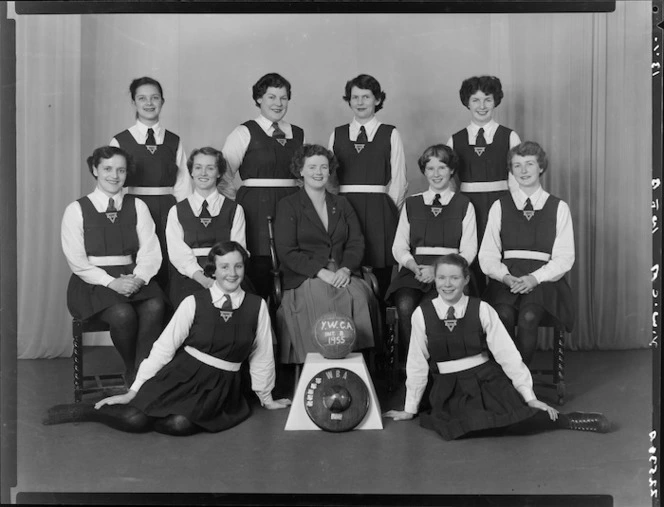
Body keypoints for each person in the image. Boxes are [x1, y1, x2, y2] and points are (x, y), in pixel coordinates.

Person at [44, 241, 291, 436]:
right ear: (213, 271)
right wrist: (135, 390)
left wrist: (266, 397)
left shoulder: (255, 306)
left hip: (221, 385)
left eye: (238, 266)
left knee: (178, 425)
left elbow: (262, 354)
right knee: (135, 419)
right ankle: (92, 411)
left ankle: (154, 411)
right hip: (182, 373)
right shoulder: (194, 302)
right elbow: (164, 348)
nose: (232, 273)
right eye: (224, 267)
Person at [383, 254, 609, 440]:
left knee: (517, 416)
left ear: (466, 280)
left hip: (486, 378)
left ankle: (568, 420)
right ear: (435, 281)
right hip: (449, 386)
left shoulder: (482, 309)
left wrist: (529, 397)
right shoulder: (422, 314)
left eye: (454, 278)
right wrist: (410, 408)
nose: (447, 284)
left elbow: (507, 354)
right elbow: (416, 362)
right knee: (463, 426)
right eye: (441, 278)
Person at [61, 146, 166, 383]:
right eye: (107, 169)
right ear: (94, 170)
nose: (114, 175)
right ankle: (132, 369)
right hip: (92, 283)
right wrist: (112, 283)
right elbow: (77, 262)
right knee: (123, 313)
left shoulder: (137, 206)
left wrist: (138, 278)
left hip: (132, 275)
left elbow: (150, 251)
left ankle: (142, 372)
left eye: (121, 170)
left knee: (155, 306)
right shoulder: (76, 209)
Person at [274, 144, 380, 364]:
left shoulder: (341, 204)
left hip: (342, 269)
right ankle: (322, 368)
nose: (318, 172)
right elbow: (287, 251)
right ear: (300, 170)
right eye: (312, 167)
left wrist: (345, 269)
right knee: (321, 297)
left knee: (359, 296)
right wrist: (321, 272)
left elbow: (356, 242)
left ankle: (355, 366)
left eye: (323, 167)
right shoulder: (288, 205)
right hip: (306, 274)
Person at [479, 141, 574, 366]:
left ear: (540, 167)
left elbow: (564, 257)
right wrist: (504, 277)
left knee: (529, 316)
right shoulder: (500, 206)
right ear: (511, 170)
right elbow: (488, 254)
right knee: (502, 315)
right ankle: (505, 375)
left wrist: (534, 278)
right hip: (507, 279)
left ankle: (522, 380)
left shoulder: (558, 207)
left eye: (529, 164)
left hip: (543, 281)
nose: (523, 171)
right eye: (517, 165)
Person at [386, 144, 477, 359]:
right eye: (430, 168)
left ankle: (439, 365)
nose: (436, 174)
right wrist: (411, 264)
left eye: (442, 168)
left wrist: (437, 271)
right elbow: (399, 246)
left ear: (452, 170)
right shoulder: (412, 203)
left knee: (433, 308)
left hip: (449, 273)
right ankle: (416, 365)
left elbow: (469, 250)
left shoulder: (464, 204)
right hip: (414, 271)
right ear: (424, 171)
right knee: (406, 304)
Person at [221, 73, 305, 301]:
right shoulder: (244, 132)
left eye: (283, 97)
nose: (278, 103)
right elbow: (223, 176)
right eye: (271, 97)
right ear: (259, 99)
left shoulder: (297, 133)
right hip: (255, 207)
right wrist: (237, 206)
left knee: (291, 261)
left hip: (291, 205)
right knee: (259, 266)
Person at [110, 76, 192, 297]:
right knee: (140, 263)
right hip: (133, 210)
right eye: (142, 98)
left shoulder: (174, 141)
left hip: (168, 209)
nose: (149, 103)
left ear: (162, 102)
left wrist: (185, 218)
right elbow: (111, 185)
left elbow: (183, 185)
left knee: (169, 264)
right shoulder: (120, 141)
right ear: (133, 102)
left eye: (154, 98)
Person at [328, 74, 408, 299]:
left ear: (377, 100)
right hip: (345, 207)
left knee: (380, 272)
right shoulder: (338, 133)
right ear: (349, 100)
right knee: (347, 268)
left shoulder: (390, 133)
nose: (360, 102)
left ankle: (380, 326)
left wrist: (387, 212)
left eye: (366, 96)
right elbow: (330, 179)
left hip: (379, 210)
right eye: (355, 97)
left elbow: (399, 181)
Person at [447, 75, 521, 295]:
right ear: (467, 103)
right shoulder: (455, 140)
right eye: (476, 100)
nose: (482, 106)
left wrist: (514, 213)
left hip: (501, 205)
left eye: (487, 99)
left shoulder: (509, 136)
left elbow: (516, 181)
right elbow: (450, 185)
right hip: (469, 208)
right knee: (472, 263)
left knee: (500, 258)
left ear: (495, 101)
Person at [166, 147, 249, 308]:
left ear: (219, 173)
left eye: (210, 168)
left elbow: (239, 250)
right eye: (198, 168)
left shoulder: (234, 209)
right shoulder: (177, 210)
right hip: (189, 276)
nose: (203, 173)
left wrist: (222, 277)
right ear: (191, 172)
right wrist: (202, 279)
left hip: (227, 273)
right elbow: (178, 254)